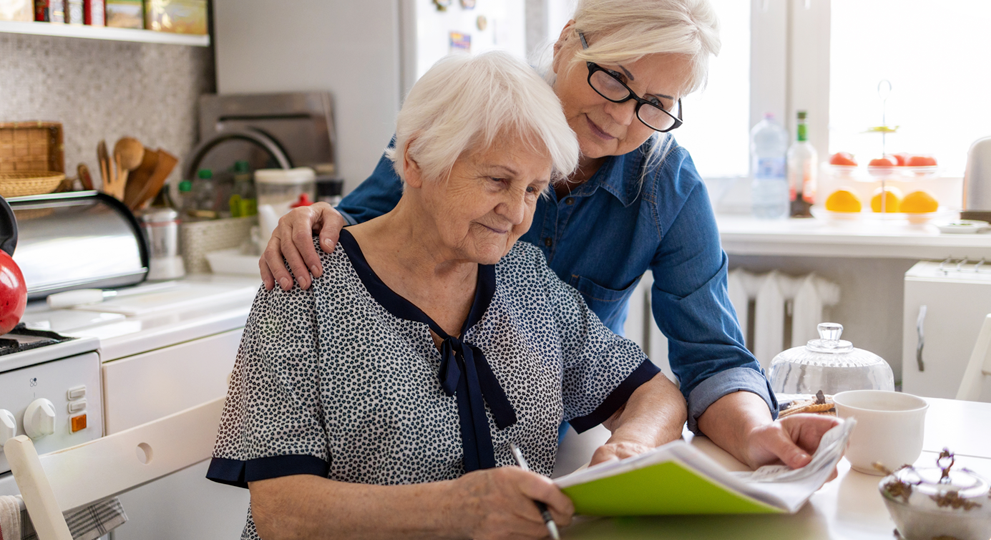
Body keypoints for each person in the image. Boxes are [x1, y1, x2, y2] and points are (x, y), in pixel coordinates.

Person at [258, 0, 840, 474]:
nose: (622, 118)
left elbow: (711, 356)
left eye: (656, 106)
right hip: (409, 441)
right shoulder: (474, 112)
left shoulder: (666, 184)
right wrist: (314, 219)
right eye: (615, 78)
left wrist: (758, 433)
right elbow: (361, 231)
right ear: (567, 42)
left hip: (548, 438)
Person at [209, 51, 690, 539]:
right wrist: (457, 510)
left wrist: (632, 447)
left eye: (532, 190)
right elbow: (282, 514)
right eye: (498, 180)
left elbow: (655, 395)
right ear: (417, 159)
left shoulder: (526, 277)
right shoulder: (306, 283)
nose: (515, 215)